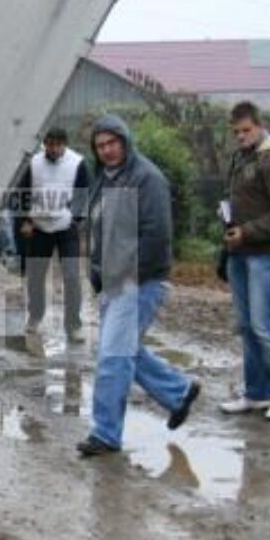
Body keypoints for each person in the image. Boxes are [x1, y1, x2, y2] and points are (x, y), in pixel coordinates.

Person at [77, 114, 200, 457]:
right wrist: (99, 276)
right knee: (125, 350)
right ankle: (179, 391)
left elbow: (157, 236)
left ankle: (105, 434)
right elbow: (100, 232)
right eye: (100, 146)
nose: (107, 150)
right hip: (114, 283)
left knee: (112, 357)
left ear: (125, 140)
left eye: (112, 143)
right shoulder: (103, 179)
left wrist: (129, 276)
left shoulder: (147, 179)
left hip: (139, 282)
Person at [219, 101, 270, 421]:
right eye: (236, 131)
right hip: (238, 252)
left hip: (265, 255)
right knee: (245, 326)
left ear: (259, 124)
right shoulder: (242, 158)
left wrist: (248, 232)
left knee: (263, 326)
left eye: (246, 130)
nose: (240, 136)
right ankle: (255, 394)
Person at [16, 127, 90, 341]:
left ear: (65, 144)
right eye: (50, 144)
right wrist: (25, 220)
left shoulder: (77, 163)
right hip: (38, 227)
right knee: (36, 277)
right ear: (44, 144)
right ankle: (35, 316)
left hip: (66, 227)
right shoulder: (33, 163)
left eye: (58, 145)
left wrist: (75, 220)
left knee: (72, 276)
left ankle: (74, 325)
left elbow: (83, 195)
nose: (54, 149)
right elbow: (22, 193)